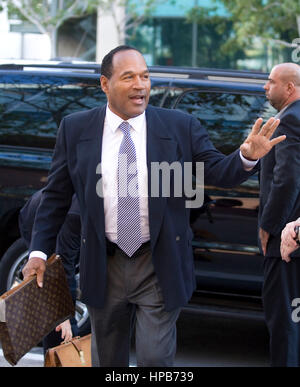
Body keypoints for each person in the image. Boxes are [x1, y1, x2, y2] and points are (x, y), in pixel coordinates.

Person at [22, 45, 283, 367]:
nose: (140, 85)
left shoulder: (179, 126)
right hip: (103, 264)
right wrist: (37, 252)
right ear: (105, 84)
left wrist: (247, 157)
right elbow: (56, 197)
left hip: (159, 261)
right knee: (109, 360)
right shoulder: (76, 128)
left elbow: (217, 171)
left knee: (155, 359)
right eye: (128, 77)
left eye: (145, 76)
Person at [258, 62, 300, 367]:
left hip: (287, 240)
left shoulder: (289, 121)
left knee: (284, 320)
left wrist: (269, 227)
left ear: (289, 88)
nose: (265, 86)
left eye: (270, 81)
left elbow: (286, 178)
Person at [19, 190, 80, 351]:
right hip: (37, 222)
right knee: (59, 316)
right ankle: (61, 356)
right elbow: (62, 266)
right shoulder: (75, 215)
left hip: (59, 218)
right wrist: (62, 314)